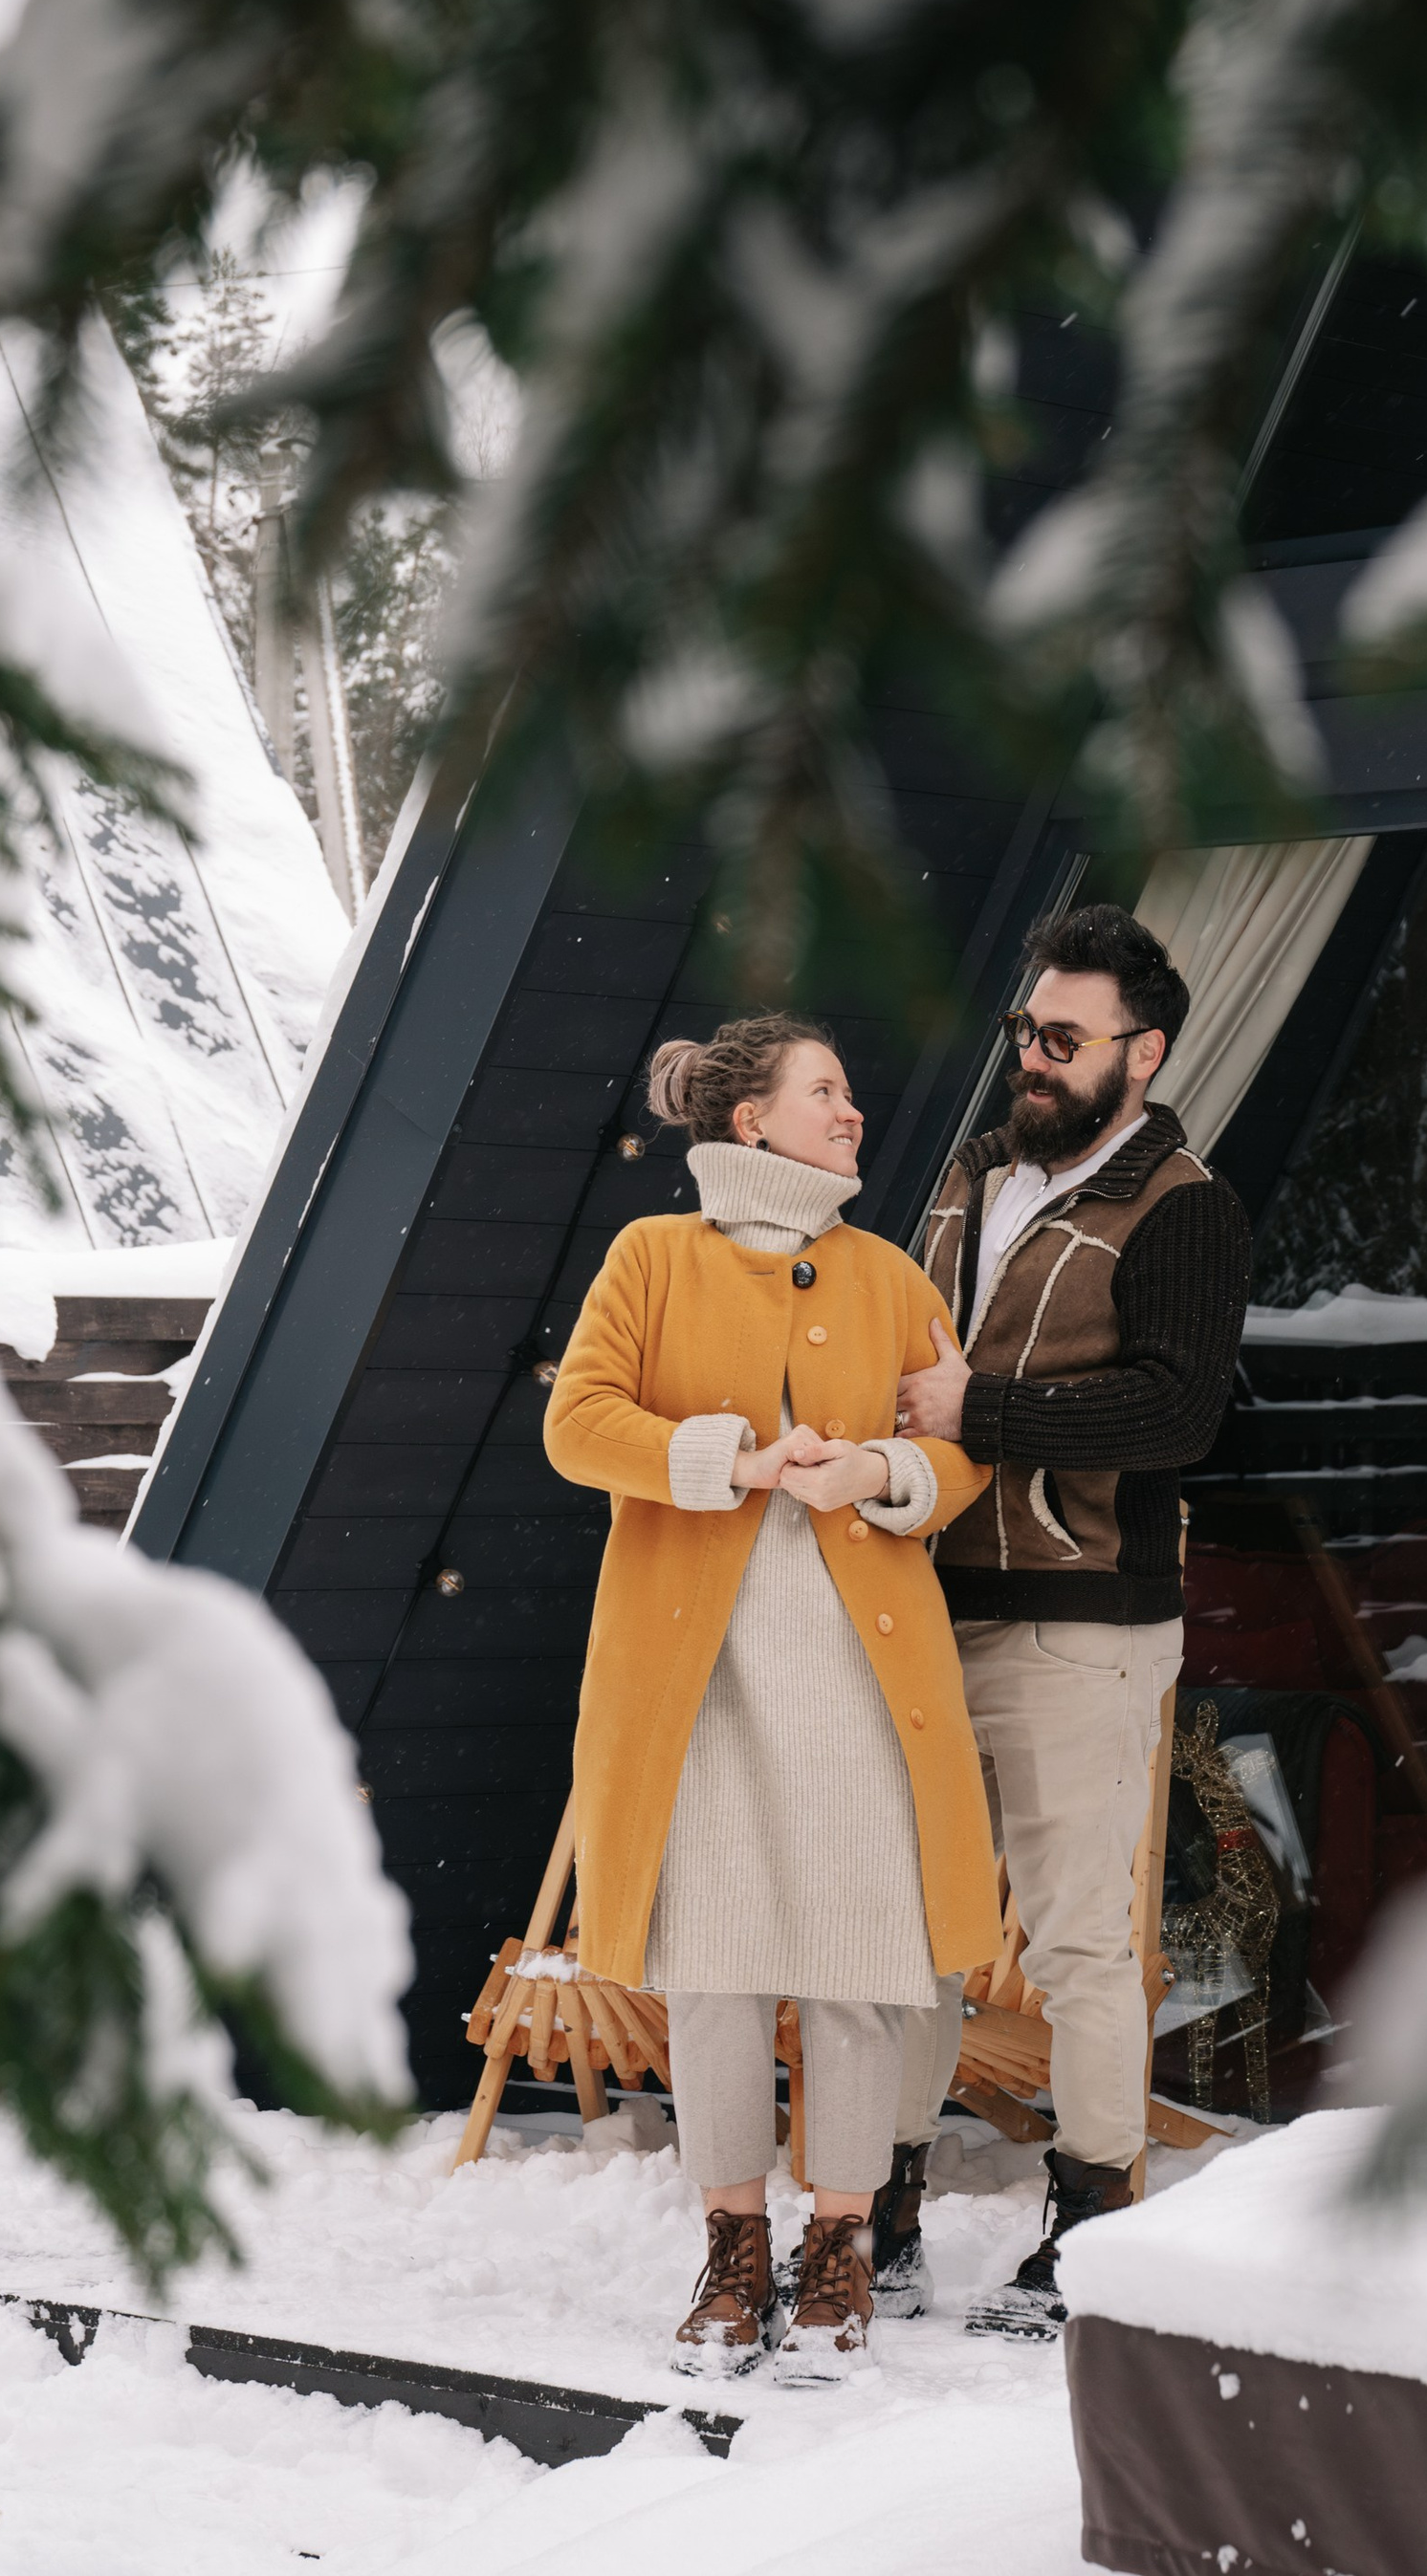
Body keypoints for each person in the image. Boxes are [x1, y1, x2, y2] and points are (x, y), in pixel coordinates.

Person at [543, 1013, 999, 2380]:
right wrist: (735, 1461)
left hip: (863, 1672)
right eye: (827, 1093)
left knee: (863, 1965)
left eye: (850, 1094)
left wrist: (882, 1477)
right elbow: (580, 1423)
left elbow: (955, 1451)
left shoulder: (890, 1274)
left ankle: (844, 2246)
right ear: (749, 1123)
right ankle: (736, 2247)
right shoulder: (650, 1258)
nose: (852, 1113)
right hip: (702, 1677)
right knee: (720, 1970)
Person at [876, 902, 1252, 2334]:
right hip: (925, 1606)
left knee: (1084, 1939)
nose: (1030, 1059)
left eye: (1063, 1037)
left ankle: (1091, 2228)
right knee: (908, 1927)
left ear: (1141, 1054)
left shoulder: (1184, 1207)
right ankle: (879, 2208)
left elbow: (1179, 1411)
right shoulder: (974, 1175)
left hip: (1081, 1622)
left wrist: (989, 1412)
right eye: (1024, 1031)